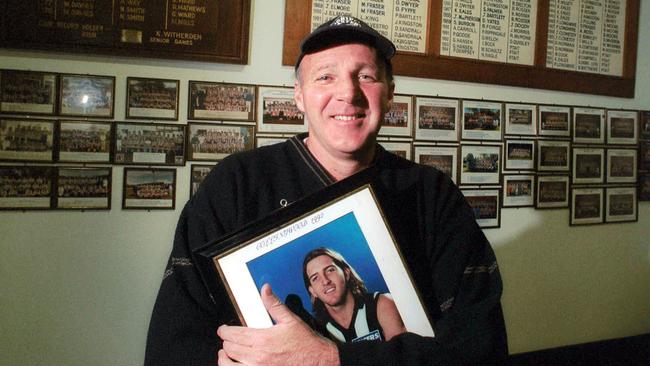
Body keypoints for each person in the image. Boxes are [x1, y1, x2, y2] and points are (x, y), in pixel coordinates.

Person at [145, 15, 507, 365]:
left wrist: (331, 359)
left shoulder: (432, 195)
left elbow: (480, 347)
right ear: (299, 96)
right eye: (325, 77)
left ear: (390, 94)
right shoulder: (236, 184)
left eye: (365, 76)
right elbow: (176, 340)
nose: (347, 93)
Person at [302, 247, 406, 343]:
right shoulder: (317, 330)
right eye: (315, 278)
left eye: (330, 270)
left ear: (346, 274)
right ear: (313, 291)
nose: (325, 281)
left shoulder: (382, 304)